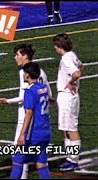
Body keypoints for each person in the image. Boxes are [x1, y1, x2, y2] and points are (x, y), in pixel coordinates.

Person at [0, 44, 53, 179]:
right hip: (45, 128)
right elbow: (50, 96)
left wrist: (7, 101)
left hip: (30, 127)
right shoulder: (41, 73)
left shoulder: (26, 78)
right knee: (41, 163)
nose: (15, 58)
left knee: (18, 158)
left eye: (17, 54)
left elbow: (26, 104)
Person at [9, 62, 51, 179]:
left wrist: (22, 134)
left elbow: (29, 114)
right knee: (41, 163)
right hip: (45, 132)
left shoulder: (29, 91)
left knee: (17, 160)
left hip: (34, 134)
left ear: (27, 75)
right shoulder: (43, 88)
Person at [53, 33, 82, 171]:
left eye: (55, 46)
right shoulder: (72, 55)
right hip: (69, 97)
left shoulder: (65, 59)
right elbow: (81, 66)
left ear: (59, 46)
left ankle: (73, 160)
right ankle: (70, 157)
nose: (54, 48)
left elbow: (77, 73)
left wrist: (70, 82)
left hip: (67, 96)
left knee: (71, 128)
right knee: (66, 128)